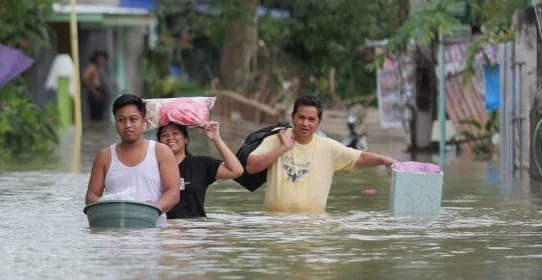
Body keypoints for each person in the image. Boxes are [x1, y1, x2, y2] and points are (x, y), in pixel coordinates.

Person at [245, 94, 396, 214]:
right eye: (301, 117)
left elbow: (360, 157)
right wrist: (283, 148)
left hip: (314, 227)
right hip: (275, 224)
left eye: (311, 119)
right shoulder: (277, 139)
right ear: (293, 117)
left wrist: (384, 160)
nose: (305, 123)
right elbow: (251, 167)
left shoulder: (328, 147)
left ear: (319, 122)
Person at [85, 94, 180, 218]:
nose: (127, 125)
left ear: (144, 121)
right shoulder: (104, 156)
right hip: (114, 229)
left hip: (153, 230)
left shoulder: (161, 152)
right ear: (115, 122)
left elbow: (173, 193)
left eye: (133, 119)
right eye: (121, 120)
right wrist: (106, 207)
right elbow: (91, 195)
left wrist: (151, 210)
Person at [157, 120, 244, 219]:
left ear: (186, 139)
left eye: (175, 133)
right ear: (159, 142)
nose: (170, 137)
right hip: (164, 229)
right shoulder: (152, 168)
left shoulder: (201, 164)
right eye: (164, 135)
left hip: (196, 229)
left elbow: (236, 170)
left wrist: (216, 139)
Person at [82, 51, 112, 122]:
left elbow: (104, 79)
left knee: (100, 114)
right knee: (95, 114)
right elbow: (85, 79)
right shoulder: (91, 67)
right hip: (95, 92)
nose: (102, 61)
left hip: (102, 93)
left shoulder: (100, 68)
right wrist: (93, 90)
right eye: (100, 59)